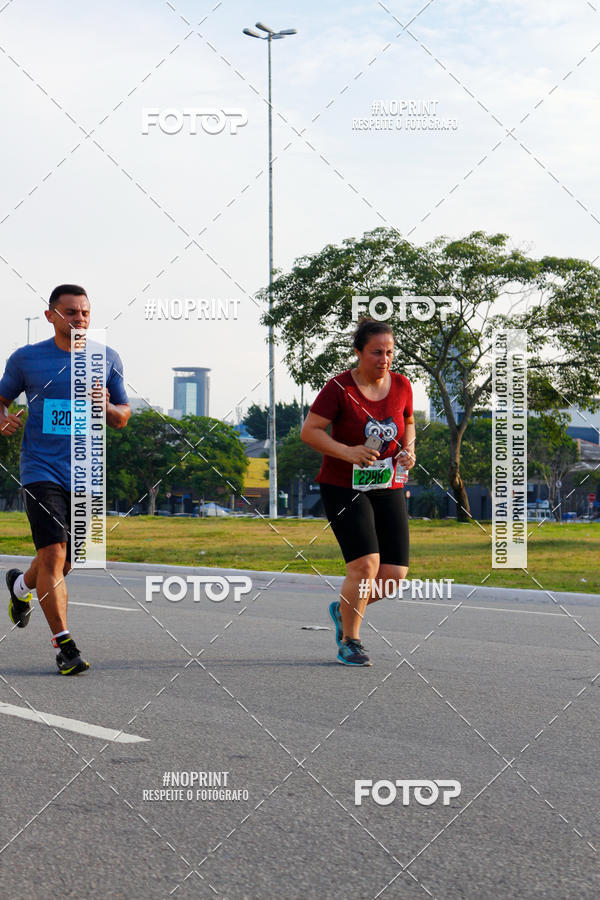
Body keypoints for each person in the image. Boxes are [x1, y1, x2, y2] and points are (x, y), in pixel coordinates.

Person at [0, 285, 130, 675]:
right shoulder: (26, 358)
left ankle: (20, 586)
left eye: (85, 313)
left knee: (67, 562)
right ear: (51, 315)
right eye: (71, 312)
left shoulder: (106, 358)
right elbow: (1, 400)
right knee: (54, 554)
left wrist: (106, 406)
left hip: (86, 471)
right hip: (40, 469)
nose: (79, 319)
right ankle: (65, 647)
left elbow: (123, 416)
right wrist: (2, 419)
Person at [300, 319, 415, 666]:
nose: (384, 359)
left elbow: (408, 422)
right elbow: (310, 431)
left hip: (387, 484)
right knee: (366, 565)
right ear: (359, 352)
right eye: (377, 352)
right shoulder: (339, 388)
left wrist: (408, 450)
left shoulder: (402, 385)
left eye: (389, 352)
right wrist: (347, 452)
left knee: (394, 575)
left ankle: (344, 608)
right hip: (343, 486)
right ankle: (350, 640)